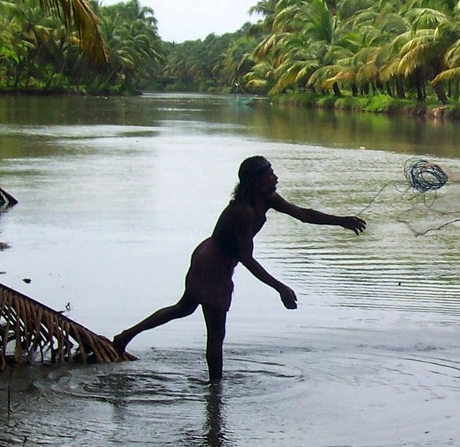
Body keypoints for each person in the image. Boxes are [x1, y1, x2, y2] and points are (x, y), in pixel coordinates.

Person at [112, 155, 366, 381]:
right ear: (256, 181)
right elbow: (247, 258)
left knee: (184, 308)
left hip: (212, 256)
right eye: (270, 173)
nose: (275, 177)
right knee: (215, 332)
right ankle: (215, 394)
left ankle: (125, 337)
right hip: (213, 264)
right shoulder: (243, 212)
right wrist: (280, 288)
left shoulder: (266, 198)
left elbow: (302, 214)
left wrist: (340, 221)